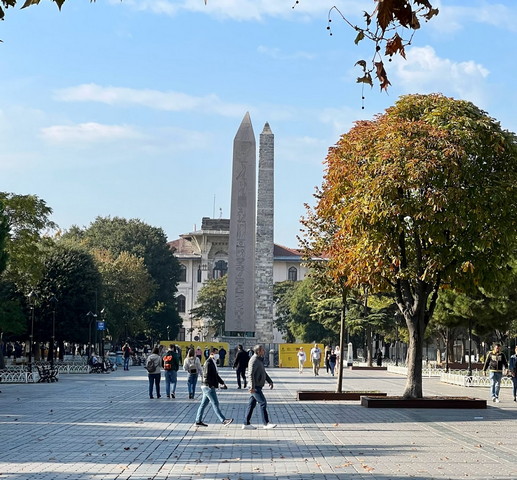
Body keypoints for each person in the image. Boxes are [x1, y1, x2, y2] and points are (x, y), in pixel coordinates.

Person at [195, 347, 233, 427]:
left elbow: (216, 375)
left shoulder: (213, 362)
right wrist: (210, 384)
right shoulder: (208, 362)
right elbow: (206, 375)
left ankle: (198, 421)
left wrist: (222, 383)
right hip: (208, 386)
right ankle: (223, 420)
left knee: (203, 404)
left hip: (206, 386)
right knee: (215, 403)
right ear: (211, 354)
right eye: (216, 353)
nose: (217, 355)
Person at [243, 344, 276, 430]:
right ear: (258, 351)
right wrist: (252, 387)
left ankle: (246, 423)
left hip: (257, 386)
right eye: (262, 350)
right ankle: (266, 423)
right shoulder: (253, 360)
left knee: (251, 404)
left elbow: (263, 372)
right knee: (263, 403)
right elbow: (250, 374)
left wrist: (270, 381)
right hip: (254, 386)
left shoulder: (259, 360)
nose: (264, 351)